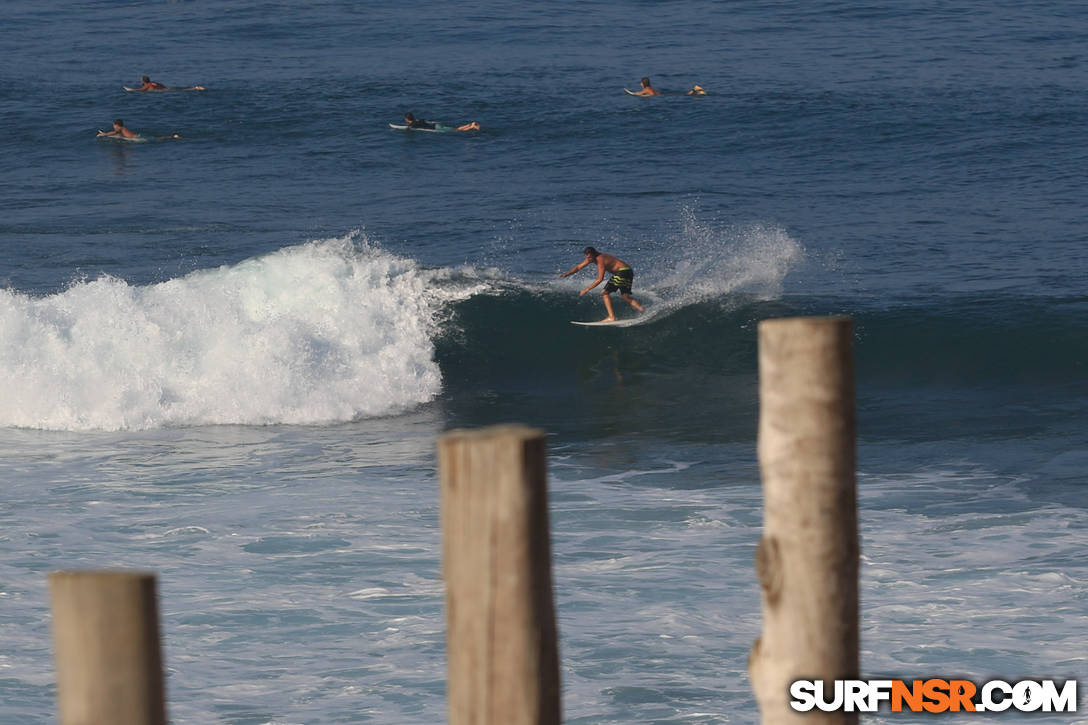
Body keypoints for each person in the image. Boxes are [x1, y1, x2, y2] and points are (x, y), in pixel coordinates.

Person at [558, 246, 645, 322]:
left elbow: (600, 279)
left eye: (590, 257)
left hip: (622, 272)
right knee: (625, 296)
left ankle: (611, 317)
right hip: (628, 271)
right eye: (587, 257)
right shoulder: (591, 259)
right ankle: (642, 310)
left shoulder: (600, 260)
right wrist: (567, 274)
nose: (588, 260)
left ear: (594, 254)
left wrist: (586, 289)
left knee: (605, 292)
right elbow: (578, 267)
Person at [403, 112, 480, 132]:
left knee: (456, 131)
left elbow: (409, 127)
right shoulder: (418, 120)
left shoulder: (413, 124)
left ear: (407, 119)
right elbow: (423, 120)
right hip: (436, 125)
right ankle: (469, 125)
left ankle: (472, 126)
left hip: (436, 128)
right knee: (455, 129)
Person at [133, 75, 205, 91]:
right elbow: (162, 85)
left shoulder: (147, 85)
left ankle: (195, 88)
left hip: (163, 91)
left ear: (143, 81)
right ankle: (195, 88)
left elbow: (140, 90)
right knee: (182, 90)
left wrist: (131, 90)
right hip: (166, 88)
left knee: (182, 91)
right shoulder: (154, 83)